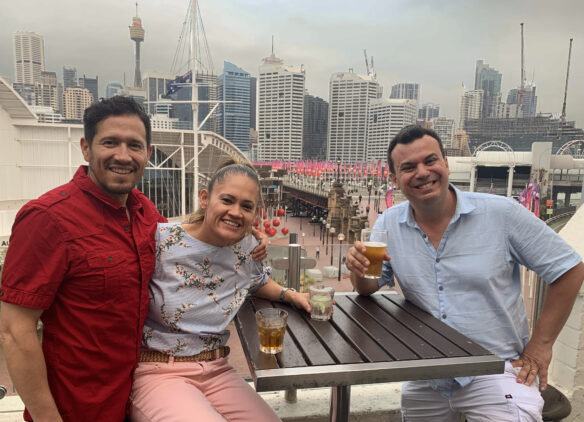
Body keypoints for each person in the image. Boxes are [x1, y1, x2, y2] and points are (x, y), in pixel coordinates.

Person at [0, 96, 268, 422]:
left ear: (148, 154)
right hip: (79, 407)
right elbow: (14, 331)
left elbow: (190, 249)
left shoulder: (144, 212)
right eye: (110, 143)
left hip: (135, 395)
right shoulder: (47, 218)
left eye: (135, 145)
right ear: (86, 148)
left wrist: (246, 239)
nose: (123, 156)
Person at [345, 125, 584, 421]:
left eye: (430, 161)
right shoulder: (389, 223)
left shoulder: (502, 214)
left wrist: (541, 345)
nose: (421, 172)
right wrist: (359, 271)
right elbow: (368, 288)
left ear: (446, 164)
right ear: (394, 179)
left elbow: (570, 268)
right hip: (426, 372)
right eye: (408, 167)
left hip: (497, 369)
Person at [130, 161, 311, 421]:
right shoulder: (161, 240)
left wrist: (291, 294)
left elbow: (257, 281)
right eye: (227, 200)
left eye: (246, 206)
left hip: (217, 370)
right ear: (205, 199)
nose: (235, 212)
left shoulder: (247, 248)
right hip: (159, 371)